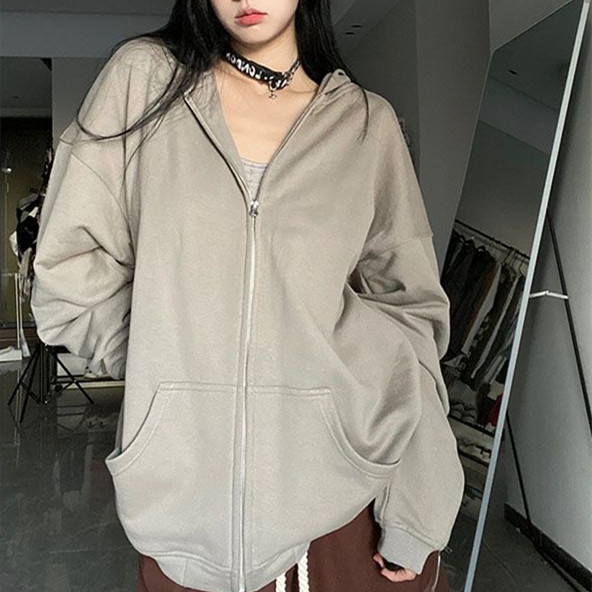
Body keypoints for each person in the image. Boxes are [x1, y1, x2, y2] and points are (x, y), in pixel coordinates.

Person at [30, 1, 465, 591]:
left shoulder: (366, 125)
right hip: (182, 509)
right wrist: (165, 361)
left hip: (344, 506)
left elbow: (411, 318)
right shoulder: (144, 81)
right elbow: (67, 269)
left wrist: (417, 511)